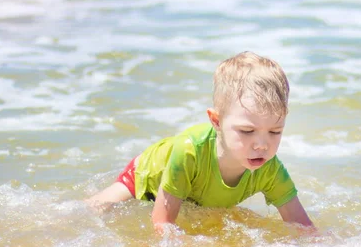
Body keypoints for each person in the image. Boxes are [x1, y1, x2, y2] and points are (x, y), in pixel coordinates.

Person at [86, 51, 314, 232]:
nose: (262, 144)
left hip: (194, 196)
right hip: (144, 179)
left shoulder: (270, 169)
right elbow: (162, 223)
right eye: (247, 131)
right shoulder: (189, 152)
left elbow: (303, 227)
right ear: (216, 120)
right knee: (95, 210)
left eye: (275, 132)